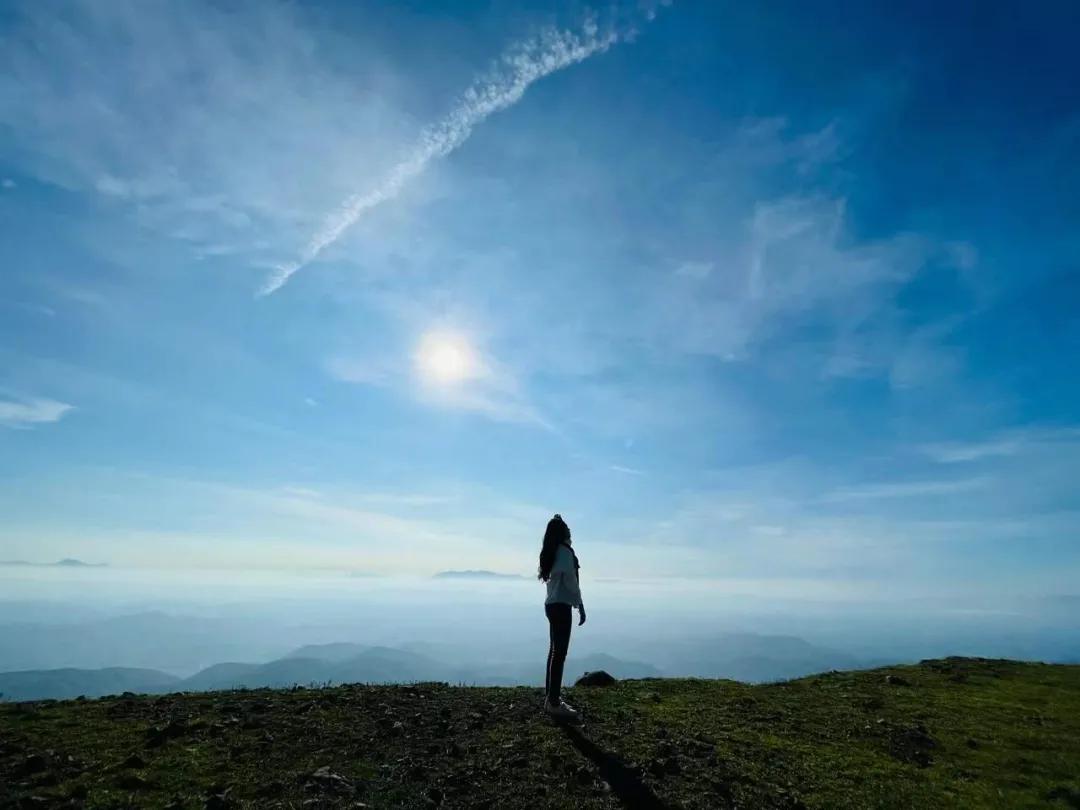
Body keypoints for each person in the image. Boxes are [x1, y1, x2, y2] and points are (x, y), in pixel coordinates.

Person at [538, 513, 585, 722]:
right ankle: (554, 702)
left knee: (554, 651)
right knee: (560, 653)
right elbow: (571, 582)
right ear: (562, 532)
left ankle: (551, 698)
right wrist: (580, 604)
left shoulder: (552, 552)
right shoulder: (565, 553)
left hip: (551, 605)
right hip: (562, 607)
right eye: (567, 527)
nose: (570, 530)